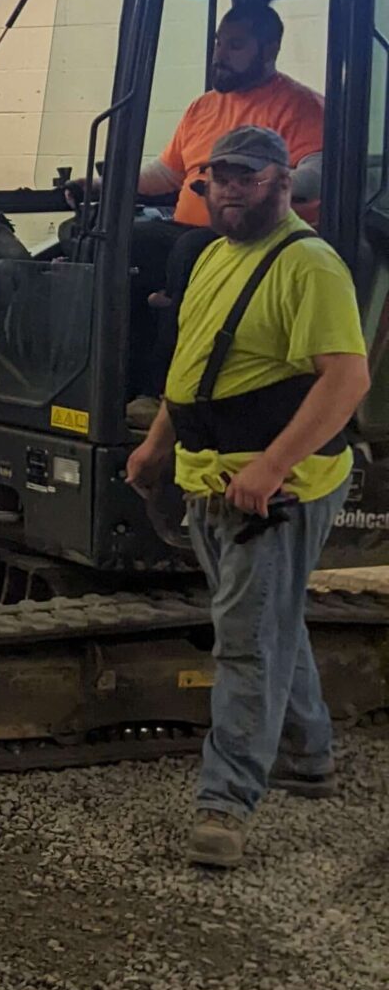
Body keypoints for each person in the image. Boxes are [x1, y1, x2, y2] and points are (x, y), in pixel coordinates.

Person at [125, 124, 370, 870]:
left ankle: (225, 804)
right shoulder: (212, 256)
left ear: (282, 182)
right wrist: (159, 444)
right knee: (270, 620)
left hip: (276, 489)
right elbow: (194, 367)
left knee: (244, 644)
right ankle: (308, 753)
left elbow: (347, 379)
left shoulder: (311, 265)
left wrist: (270, 466)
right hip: (209, 476)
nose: (229, 187)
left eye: (246, 175)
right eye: (217, 177)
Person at [139, 0, 324, 231]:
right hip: (184, 231)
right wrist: (97, 186)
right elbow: (167, 173)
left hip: (253, 239)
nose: (219, 55)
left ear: (270, 50)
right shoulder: (203, 106)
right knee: (109, 233)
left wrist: (247, 188)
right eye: (218, 43)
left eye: (235, 46)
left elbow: (318, 173)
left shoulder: (300, 106)